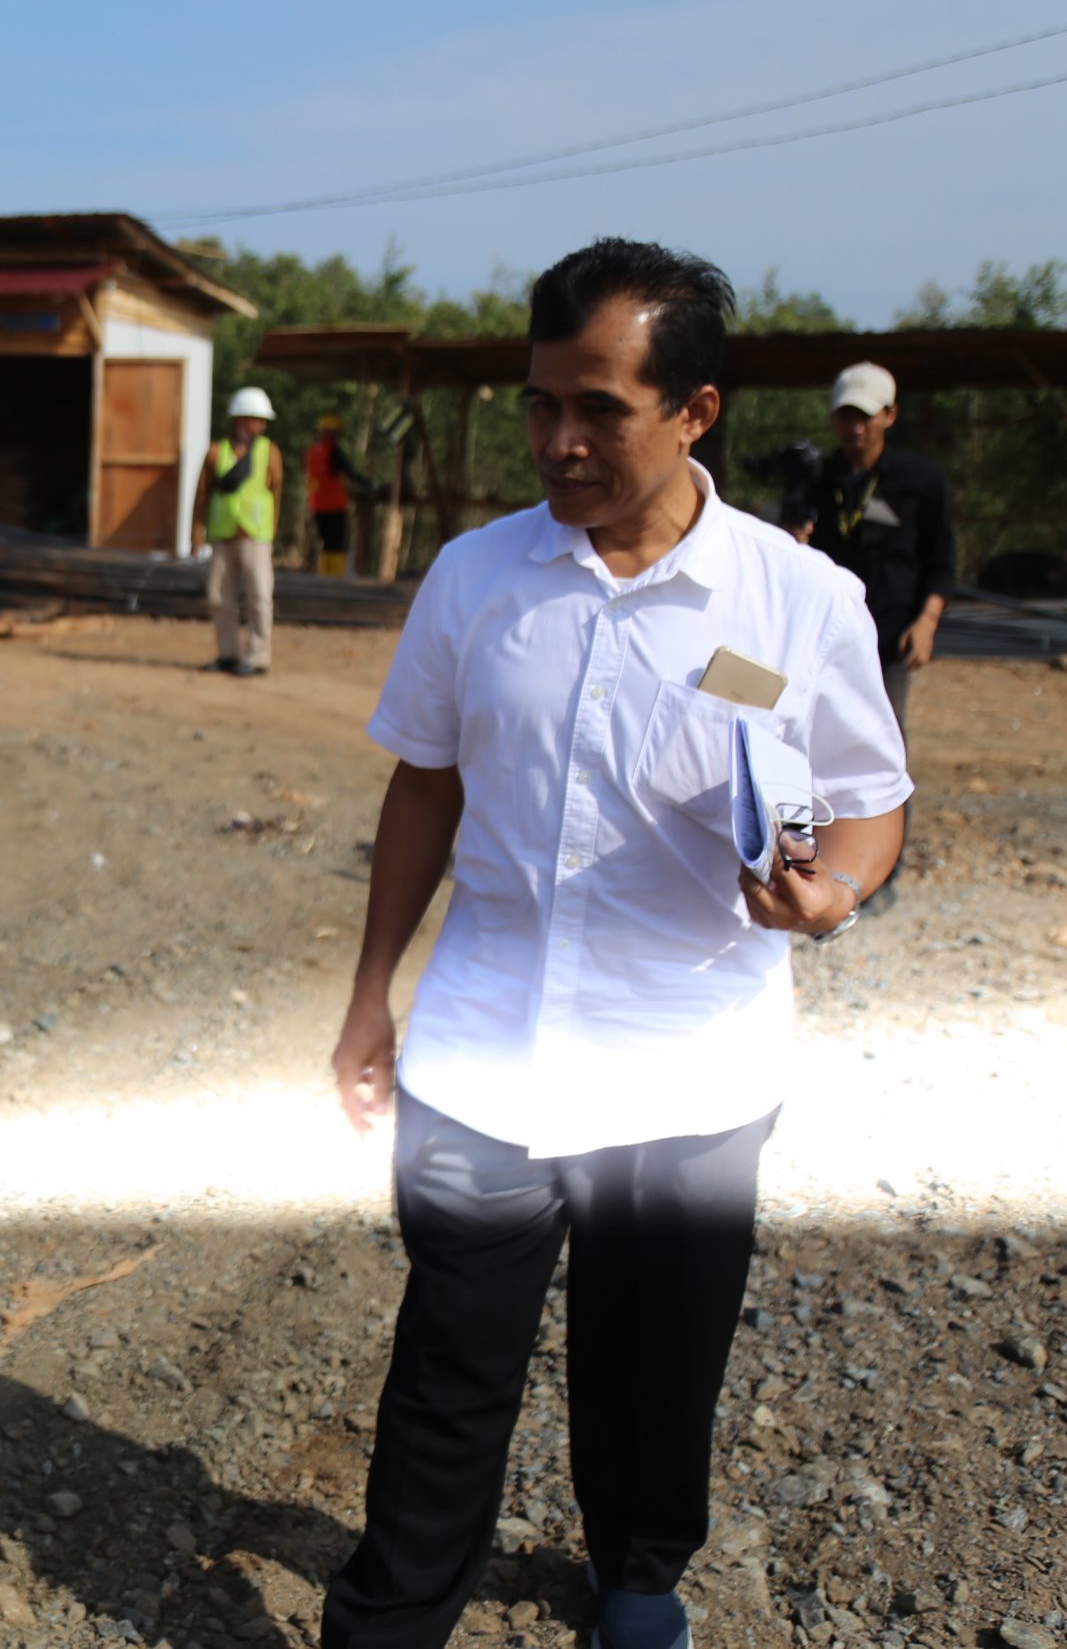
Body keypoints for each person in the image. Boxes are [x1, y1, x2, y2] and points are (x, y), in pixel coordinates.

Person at [322, 239, 910, 1649]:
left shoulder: (792, 602)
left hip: (689, 1060)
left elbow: (872, 798)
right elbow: (425, 782)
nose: (560, 441)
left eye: (598, 408)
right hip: (488, 1036)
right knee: (451, 1358)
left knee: (655, 1356)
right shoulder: (479, 580)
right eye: (539, 405)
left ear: (694, 410)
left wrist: (838, 892)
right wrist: (369, 995)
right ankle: (391, 1617)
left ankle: (638, 1572)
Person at [796, 361, 952, 907]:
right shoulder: (816, 480)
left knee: (880, 752)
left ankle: (882, 873)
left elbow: (941, 561)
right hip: (820, 639)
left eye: (864, 416)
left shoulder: (919, 481)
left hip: (888, 638)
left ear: (889, 416)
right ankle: (813, 865)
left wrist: (927, 621)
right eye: (844, 416)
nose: (854, 428)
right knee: (810, 746)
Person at [196, 386, 282, 675]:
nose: (262, 425)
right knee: (220, 598)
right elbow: (203, 494)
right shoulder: (216, 452)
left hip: (256, 537)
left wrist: (272, 530)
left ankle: (258, 656)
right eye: (256, 419)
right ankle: (228, 653)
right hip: (223, 536)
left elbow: (276, 491)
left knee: (259, 596)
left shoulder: (269, 452)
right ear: (240, 419)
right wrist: (197, 532)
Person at [306, 412, 370, 578]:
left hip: (317, 504)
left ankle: (325, 576)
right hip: (334, 505)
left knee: (326, 542)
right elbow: (350, 472)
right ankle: (335, 578)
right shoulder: (333, 452)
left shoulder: (312, 452)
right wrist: (370, 484)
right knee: (338, 542)